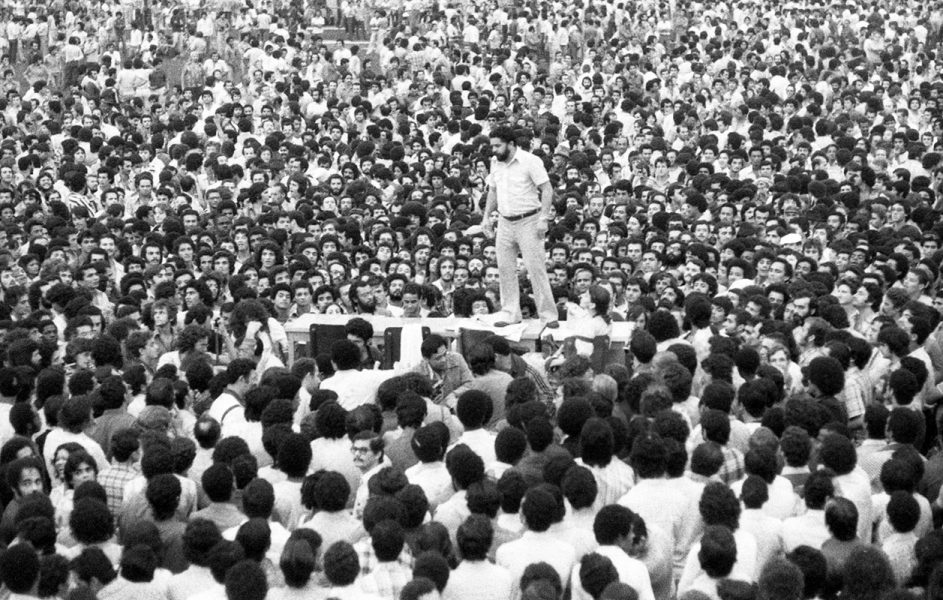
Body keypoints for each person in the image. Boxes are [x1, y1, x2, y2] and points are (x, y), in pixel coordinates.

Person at [482, 125, 559, 327]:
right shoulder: (495, 162)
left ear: (511, 144)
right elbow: (492, 191)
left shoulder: (530, 161)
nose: (494, 150)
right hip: (504, 221)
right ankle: (510, 313)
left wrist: (544, 218)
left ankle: (548, 316)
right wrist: (486, 217)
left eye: (497, 146)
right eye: (492, 146)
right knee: (505, 269)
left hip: (529, 220)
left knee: (536, 269)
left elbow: (547, 189)